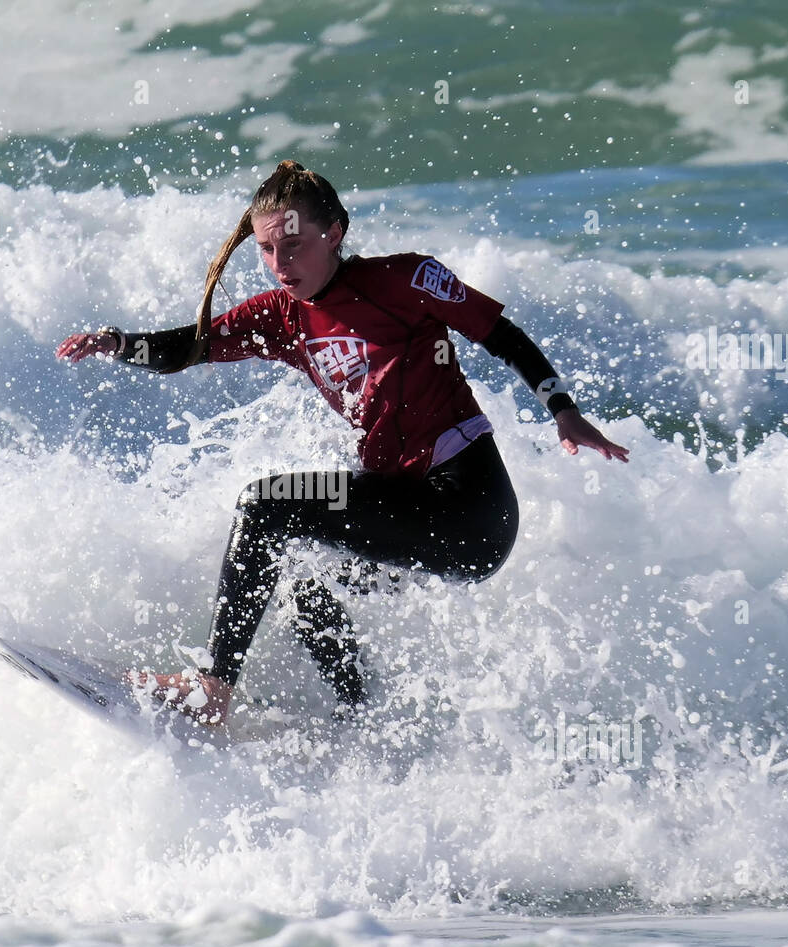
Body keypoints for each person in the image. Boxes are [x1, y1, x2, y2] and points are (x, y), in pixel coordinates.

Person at [56, 160, 629, 725]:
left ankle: (211, 689)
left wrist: (563, 410)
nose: (280, 264)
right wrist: (117, 342)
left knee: (265, 504)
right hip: (408, 500)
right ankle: (359, 717)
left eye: (294, 246)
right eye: (266, 250)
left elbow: (499, 333)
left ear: (335, 234)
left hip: (469, 509)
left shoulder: (403, 280)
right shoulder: (282, 315)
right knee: (299, 568)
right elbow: (191, 347)